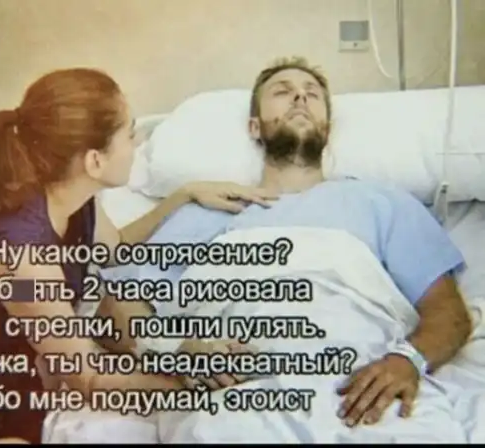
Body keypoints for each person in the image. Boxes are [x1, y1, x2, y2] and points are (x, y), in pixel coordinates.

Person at [0, 68, 277, 444]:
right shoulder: (24, 257)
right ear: (94, 161)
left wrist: (184, 195)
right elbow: (87, 380)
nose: (138, 142)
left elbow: (115, 247)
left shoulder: (72, 194)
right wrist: (192, 380)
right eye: (129, 133)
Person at [96, 57, 473, 428]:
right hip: (237, 398)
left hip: (365, 393)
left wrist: (408, 360)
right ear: (255, 127)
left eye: (312, 93)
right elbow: (115, 311)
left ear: (327, 128)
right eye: (282, 91)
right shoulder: (206, 211)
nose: (299, 98)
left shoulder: (384, 203)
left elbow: (448, 313)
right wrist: (175, 349)